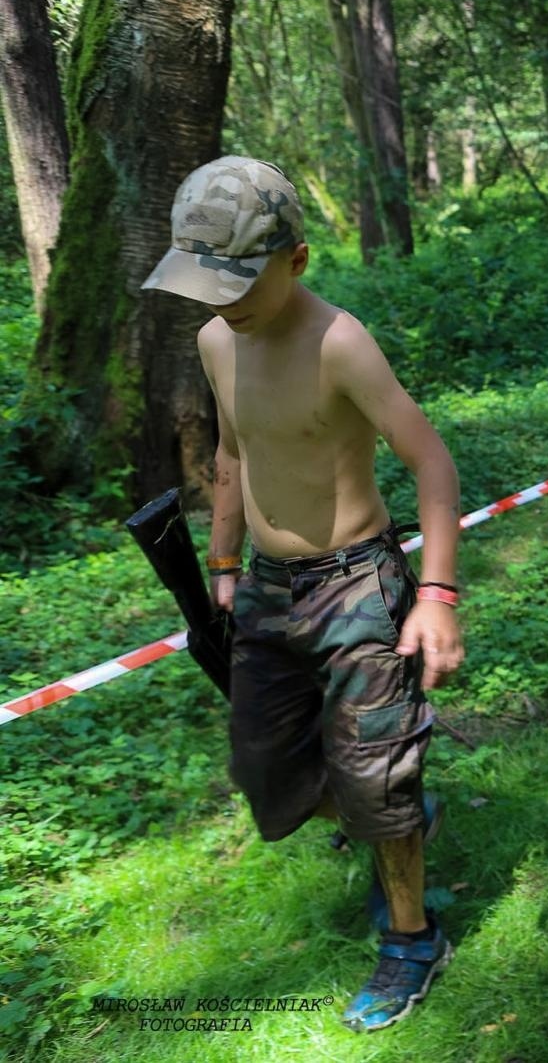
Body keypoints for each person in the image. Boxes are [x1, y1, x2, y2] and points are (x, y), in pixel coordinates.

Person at [142, 156, 465, 1032]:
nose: (221, 301)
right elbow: (237, 455)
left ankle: (410, 937)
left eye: (238, 279)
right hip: (268, 592)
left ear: (297, 258)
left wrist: (435, 594)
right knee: (264, 772)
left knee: (374, 775)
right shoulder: (216, 340)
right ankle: (395, 812)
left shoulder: (340, 343)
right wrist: (220, 563)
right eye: (205, 283)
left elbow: (431, 462)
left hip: (358, 584)